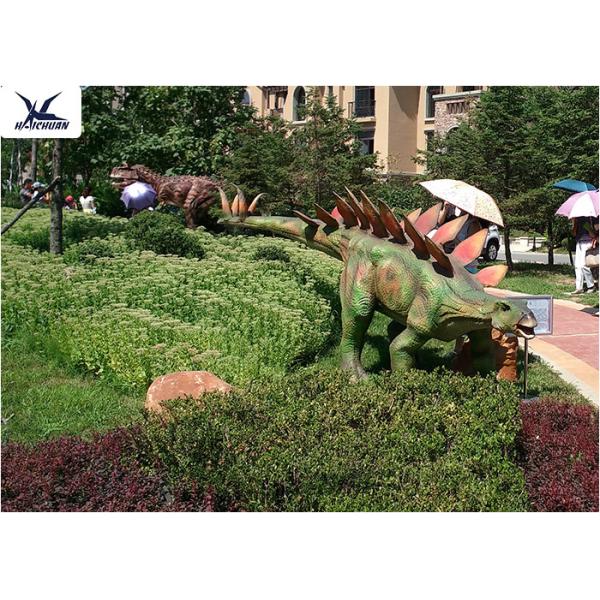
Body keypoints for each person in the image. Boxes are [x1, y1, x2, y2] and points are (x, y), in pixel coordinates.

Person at [569, 216, 596, 295]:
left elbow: (594, 234)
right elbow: (574, 234)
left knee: (584, 265)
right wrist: (574, 223)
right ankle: (579, 288)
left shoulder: (591, 217)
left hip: (588, 242)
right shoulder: (577, 218)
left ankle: (591, 286)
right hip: (579, 243)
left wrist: (588, 227)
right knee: (578, 265)